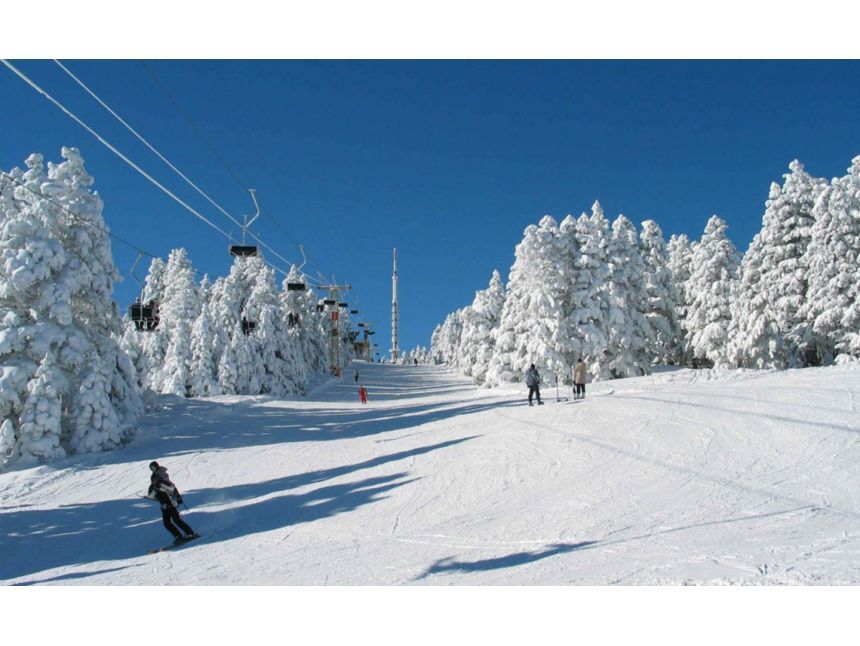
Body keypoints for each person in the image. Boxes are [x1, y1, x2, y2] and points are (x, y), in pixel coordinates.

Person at [146, 461, 197, 544]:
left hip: (171, 503)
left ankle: (190, 533)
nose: (153, 481)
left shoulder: (163, 479)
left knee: (176, 520)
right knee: (166, 523)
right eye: (151, 468)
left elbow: (171, 487)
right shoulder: (154, 485)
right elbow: (151, 494)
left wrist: (177, 497)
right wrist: (153, 493)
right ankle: (179, 536)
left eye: (153, 467)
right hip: (164, 505)